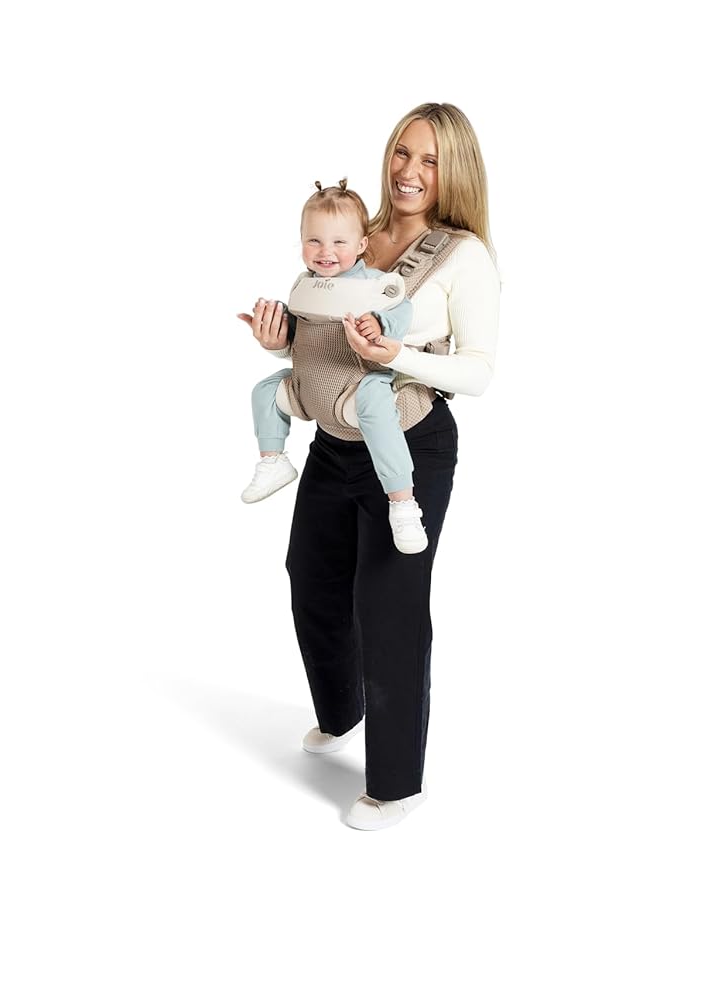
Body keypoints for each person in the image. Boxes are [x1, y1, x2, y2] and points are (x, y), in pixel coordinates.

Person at [238, 102, 501, 830]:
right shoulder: (352, 233)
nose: (410, 171)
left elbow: (479, 372)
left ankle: (396, 784)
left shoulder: (462, 256)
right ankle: (342, 710)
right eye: (402, 152)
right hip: (336, 436)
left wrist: (399, 355)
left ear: (455, 171)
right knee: (311, 577)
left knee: (388, 604)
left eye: (431, 160)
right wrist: (279, 342)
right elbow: (321, 341)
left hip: (409, 441)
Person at [240, 178, 429, 555]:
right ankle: (273, 460)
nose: (325, 252)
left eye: (339, 242)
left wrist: (380, 323)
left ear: (361, 245)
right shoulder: (304, 285)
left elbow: (402, 311)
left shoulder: (376, 285)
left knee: (375, 401)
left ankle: (402, 502)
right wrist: (276, 328)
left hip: (353, 389)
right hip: (308, 389)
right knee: (265, 391)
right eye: (314, 240)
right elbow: (300, 337)